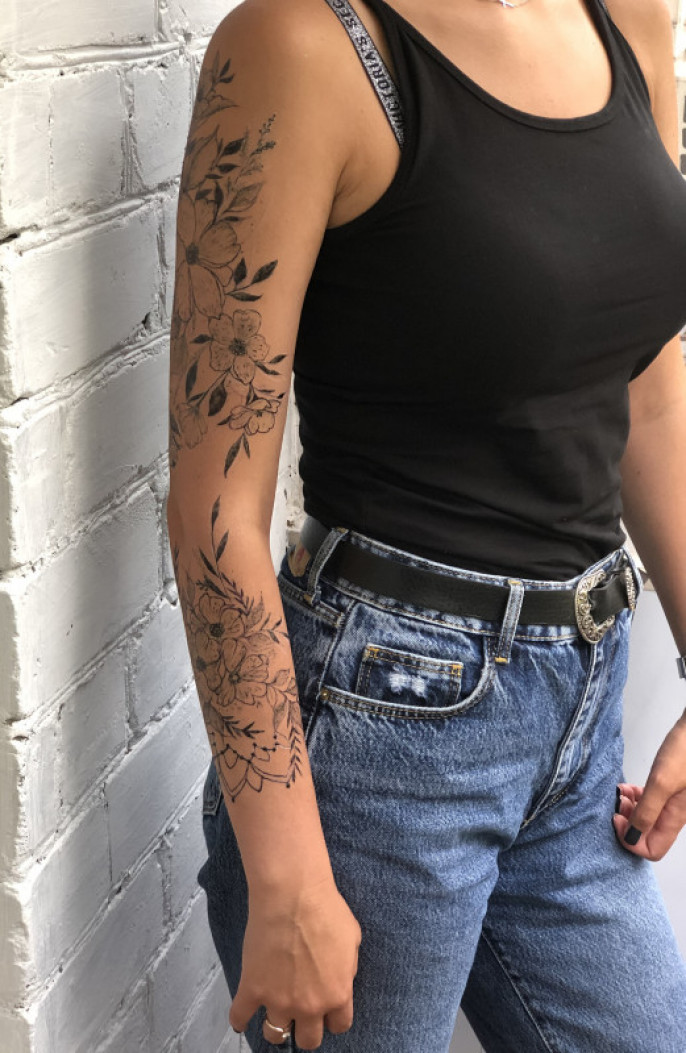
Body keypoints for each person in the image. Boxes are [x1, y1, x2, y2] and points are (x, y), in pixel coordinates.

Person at [165, 0, 686, 1048]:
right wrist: (285, 871)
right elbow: (214, 510)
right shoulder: (302, 48)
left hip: (582, 712)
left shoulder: (626, 23)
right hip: (385, 729)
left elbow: (648, 393)